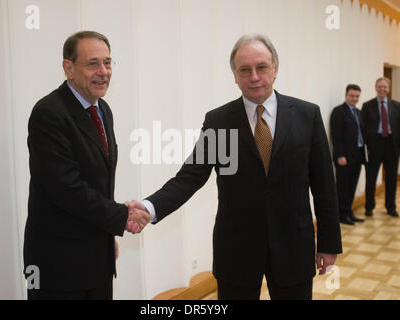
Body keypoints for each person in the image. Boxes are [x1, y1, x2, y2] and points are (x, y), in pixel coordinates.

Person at [127, 33, 342, 300]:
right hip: (237, 251)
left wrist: (329, 243)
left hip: (293, 247)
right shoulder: (220, 121)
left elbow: (324, 186)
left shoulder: (307, 115)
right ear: (235, 76)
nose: (254, 76)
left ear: (275, 69)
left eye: (261, 67)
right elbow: (190, 177)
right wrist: (149, 207)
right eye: (245, 70)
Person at [23, 31, 151, 300]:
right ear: (68, 68)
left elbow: (98, 183)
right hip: (59, 265)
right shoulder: (48, 113)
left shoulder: (103, 109)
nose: (103, 72)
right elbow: (66, 187)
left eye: (107, 62)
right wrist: (120, 216)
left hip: (96, 258)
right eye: (93, 63)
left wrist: (106, 234)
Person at [362, 77, 400, 218]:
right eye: (379, 86)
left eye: (385, 87)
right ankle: (369, 207)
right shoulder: (367, 106)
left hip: (392, 146)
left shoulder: (397, 106)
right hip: (375, 146)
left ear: (388, 89)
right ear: (375, 87)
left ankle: (391, 207)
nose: (382, 89)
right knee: (371, 178)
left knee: (391, 179)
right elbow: (363, 128)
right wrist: (366, 147)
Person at [330, 84, 366, 225]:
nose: (354, 98)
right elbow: (336, 135)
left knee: (352, 186)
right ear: (346, 95)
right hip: (344, 157)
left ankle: (349, 211)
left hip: (357, 155)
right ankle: (342, 214)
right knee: (343, 187)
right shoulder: (339, 112)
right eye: (352, 96)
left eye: (357, 96)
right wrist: (340, 155)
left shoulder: (358, 112)